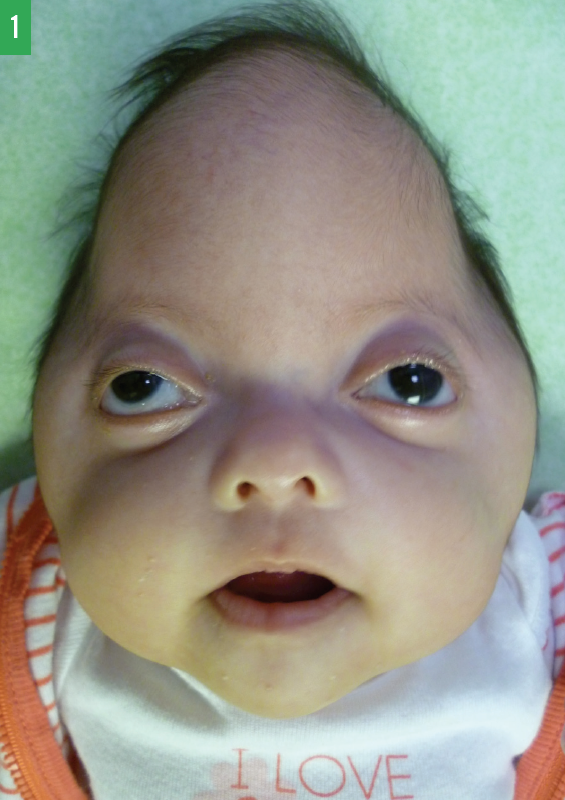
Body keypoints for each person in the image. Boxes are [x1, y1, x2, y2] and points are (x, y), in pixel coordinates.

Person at [1, 2, 564, 797]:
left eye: (408, 381)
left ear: (517, 448)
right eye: (144, 388)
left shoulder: (539, 596)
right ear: (50, 457)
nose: (274, 463)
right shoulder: (28, 606)